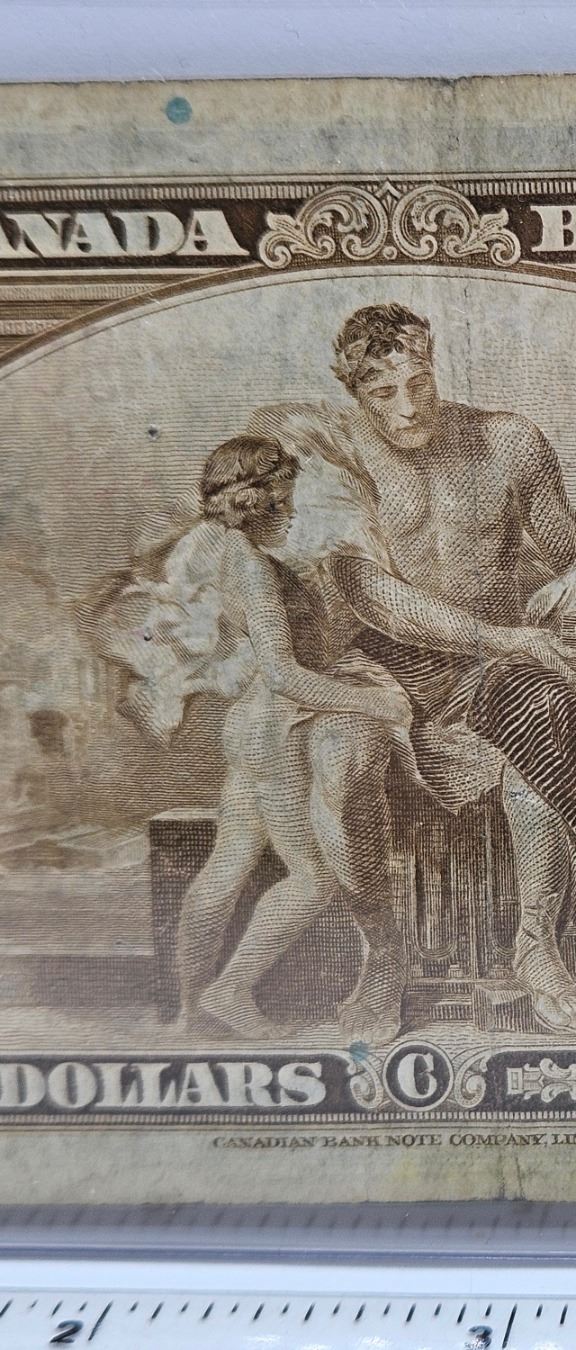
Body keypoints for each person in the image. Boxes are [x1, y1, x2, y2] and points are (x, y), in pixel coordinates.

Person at [291, 303, 576, 1034]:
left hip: (492, 664)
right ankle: (384, 955)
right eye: (385, 393)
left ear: (434, 364)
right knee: (339, 759)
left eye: (419, 383)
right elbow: (369, 593)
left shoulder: (507, 444)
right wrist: (503, 638)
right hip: (381, 664)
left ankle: (537, 946)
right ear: (355, 392)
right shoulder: (335, 465)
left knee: (545, 723)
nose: (409, 408)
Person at [97, 435, 414, 1039]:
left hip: (247, 728)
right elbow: (283, 673)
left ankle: (192, 1010)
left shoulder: (215, 547)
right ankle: (231, 990)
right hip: (276, 730)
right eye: (284, 494)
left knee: (226, 868)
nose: (292, 507)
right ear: (259, 497)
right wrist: (376, 701)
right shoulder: (255, 568)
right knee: (316, 877)